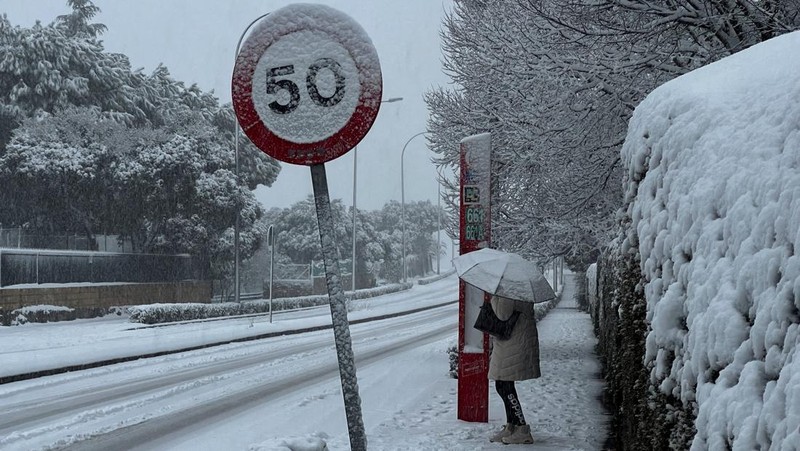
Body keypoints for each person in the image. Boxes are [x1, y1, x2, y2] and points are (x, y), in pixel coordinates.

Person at [487, 294, 540, 445]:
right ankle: (512, 426)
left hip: (514, 341)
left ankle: (522, 429)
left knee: (505, 386)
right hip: (513, 340)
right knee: (503, 384)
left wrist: (495, 297)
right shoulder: (517, 286)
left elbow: (502, 314)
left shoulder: (509, 289)